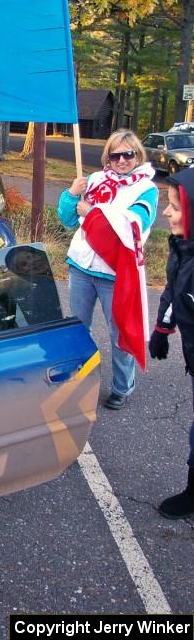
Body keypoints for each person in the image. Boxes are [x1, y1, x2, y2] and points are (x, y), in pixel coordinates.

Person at [57, 129, 158, 409]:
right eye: (116, 155)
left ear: (138, 155)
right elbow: (66, 218)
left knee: (120, 334)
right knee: (78, 329)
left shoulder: (146, 189)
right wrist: (70, 194)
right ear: (108, 157)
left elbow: (134, 224)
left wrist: (91, 212)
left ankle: (122, 387)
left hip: (116, 273)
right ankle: (79, 381)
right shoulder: (94, 180)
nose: (122, 160)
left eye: (128, 154)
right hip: (80, 265)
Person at [148, 167, 194, 519]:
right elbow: (173, 290)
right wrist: (162, 330)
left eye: (175, 207)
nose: (167, 212)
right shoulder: (183, 248)